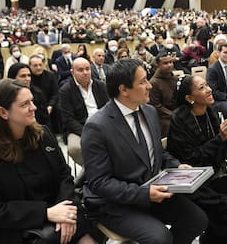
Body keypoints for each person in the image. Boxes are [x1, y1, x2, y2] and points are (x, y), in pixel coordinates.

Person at [81, 59, 208, 244]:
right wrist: (144, 194)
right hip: (115, 203)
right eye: (142, 82)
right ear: (123, 90)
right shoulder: (97, 127)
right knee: (160, 237)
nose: (149, 86)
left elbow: (157, 153)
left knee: (197, 220)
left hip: (149, 189)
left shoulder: (149, 112)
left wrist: (178, 166)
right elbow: (100, 183)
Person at [0, 78, 98, 244]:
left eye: (32, 101)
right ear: (3, 112)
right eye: (24, 104)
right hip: (13, 230)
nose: (34, 107)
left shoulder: (43, 134)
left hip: (58, 217)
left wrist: (65, 214)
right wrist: (46, 213)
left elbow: (64, 177)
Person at [167, 74, 227, 244]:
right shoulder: (179, 119)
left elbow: (226, 154)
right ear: (189, 98)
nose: (209, 89)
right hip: (195, 182)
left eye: (207, 85)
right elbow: (192, 160)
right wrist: (220, 138)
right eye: (201, 88)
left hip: (216, 175)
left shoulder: (210, 111)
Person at [59, 57, 109, 166]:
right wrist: (87, 132)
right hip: (79, 128)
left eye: (87, 69)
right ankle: (92, 170)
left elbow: (109, 109)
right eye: (80, 70)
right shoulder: (65, 90)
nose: (85, 72)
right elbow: (68, 120)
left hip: (103, 124)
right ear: (72, 72)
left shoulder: (100, 86)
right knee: (75, 148)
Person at [8, 63, 51, 128]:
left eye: (29, 75)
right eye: (23, 76)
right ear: (13, 78)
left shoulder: (38, 93)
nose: (27, 79)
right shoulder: (7, 96)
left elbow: (45, 119)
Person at [149, 50, 178, 137]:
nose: (169, 65)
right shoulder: (153, 83)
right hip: (163, 116)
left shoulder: (174, 78)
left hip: (176, 111)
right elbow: (156, 106)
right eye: (165, 63)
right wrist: (172, 115)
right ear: (158, 66)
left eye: (171, 62)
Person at [29, 54, 60, 133]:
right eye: (35, 65)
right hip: (35, 104)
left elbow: (55, 93)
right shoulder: (28, 77)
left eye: (40, 65)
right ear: (30, 66)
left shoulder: (50, 75)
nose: (38, 67)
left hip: (49, 103)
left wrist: (50, 105)